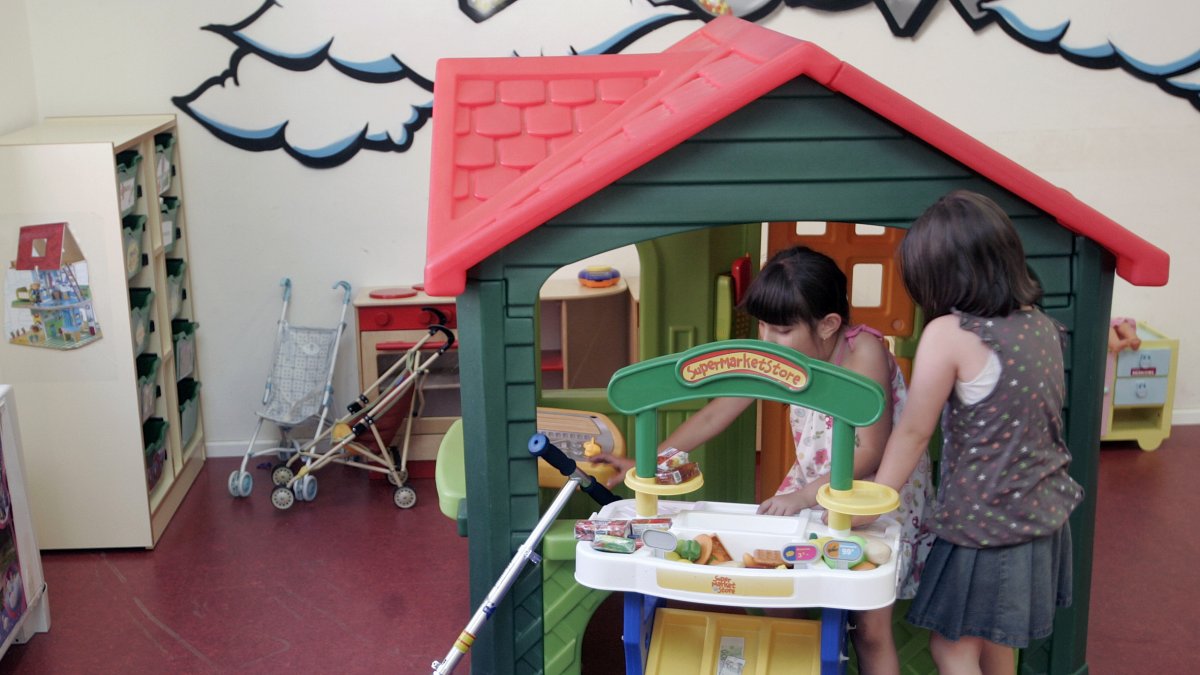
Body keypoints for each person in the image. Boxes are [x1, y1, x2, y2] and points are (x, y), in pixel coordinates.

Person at [593, 245, 933, 675]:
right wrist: (648, 461)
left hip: (873, 491)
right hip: (815, 483)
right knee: (777, 588)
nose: (768, 340)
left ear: (828, 325)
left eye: (781, 330)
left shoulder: (861, 353)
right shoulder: (775, 354)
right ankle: (804, 660)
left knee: (868, 626)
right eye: (763, 326)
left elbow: (872, 448)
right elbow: (719, 409)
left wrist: (805, 497)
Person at [869, 190, 1083, 675]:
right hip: (1041, 515)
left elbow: (913, 432)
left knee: (952, 649)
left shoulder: (951, 333)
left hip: (985, 524)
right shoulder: (1041, 325)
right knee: (995, 643)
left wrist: (875, 500)